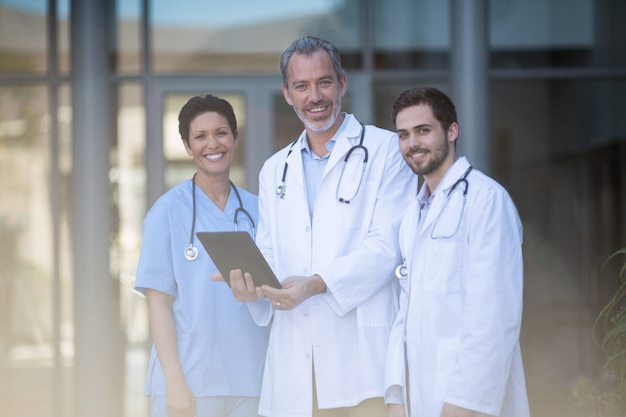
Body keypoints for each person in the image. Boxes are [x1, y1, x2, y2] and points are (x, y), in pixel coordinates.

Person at [218, 36, 417, 417]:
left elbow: (388, 247)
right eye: (301, 86)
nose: (315, 96)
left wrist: (316, 283)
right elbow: (271, 252)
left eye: (324, 82)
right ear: (287, 94)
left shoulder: (386, 151)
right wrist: (253, 288)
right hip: (296, 369)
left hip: (360, 366)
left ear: (342, 84)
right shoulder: (275, 168)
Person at [384, 87, 530, 417]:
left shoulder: (486, 200)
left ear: (452, 131)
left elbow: (493, 315)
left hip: (467, 403)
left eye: (423, 131)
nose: (412, 144)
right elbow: (403, 317)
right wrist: (396, 397)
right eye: (403, 135)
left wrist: (463, 406)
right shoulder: (412, 217)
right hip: (418, 399)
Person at [134, 94, 270, 417]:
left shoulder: (259, 210)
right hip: (193, 383)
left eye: (222, 132)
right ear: (186, 146)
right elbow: (158, 304)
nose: (213, 144)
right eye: (200, 136)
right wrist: (174, 381)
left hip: (253, 380)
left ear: (235, 138)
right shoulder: (165, 212)